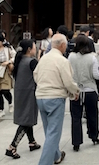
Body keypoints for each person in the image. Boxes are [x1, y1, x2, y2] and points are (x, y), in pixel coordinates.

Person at [34, 34, 80, 165]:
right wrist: (75, 91)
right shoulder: (62, 61)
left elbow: (36, 75)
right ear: (63, 45)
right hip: (55, 97)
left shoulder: (43, 58)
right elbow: (68, 82)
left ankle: (56, 156)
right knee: (53, 133)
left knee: (48, 130)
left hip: (41, 96)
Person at [5, 39, 41, 159]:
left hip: (20, 92)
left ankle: (32, 142)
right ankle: (12, 146)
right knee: (26, 120)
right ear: (29, 50)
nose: (35, 49)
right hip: (29, 92)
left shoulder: (19, 60)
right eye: (34, 47)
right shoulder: (32, 61)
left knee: (27, 116)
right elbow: (39, 76)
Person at [68, 35, 99, 152]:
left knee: (76, 117)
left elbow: (69, 72)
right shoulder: (92, 58)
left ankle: (76, 142)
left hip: (75, 90)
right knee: (92, 115)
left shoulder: (71, 57)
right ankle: (94, 136)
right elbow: (96, 75)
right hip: (90, 90)